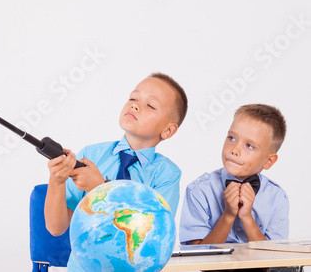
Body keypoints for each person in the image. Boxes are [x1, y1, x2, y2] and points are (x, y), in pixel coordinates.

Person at [44, 72, 188, 270]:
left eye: (150, 105)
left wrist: (102, 188)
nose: (135, 105)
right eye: (133, 98)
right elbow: (55, 227)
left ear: (168, 130)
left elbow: (154, 238)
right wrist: (57, 180)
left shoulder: (167, 174)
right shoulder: (90, 155)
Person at [180, 104, 289, 246]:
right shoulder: (198, 191)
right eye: (231, 138)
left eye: (249, 145)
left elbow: (275, 261)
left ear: (268, 161)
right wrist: (228, 216)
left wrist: (247, 218)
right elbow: (195, 257)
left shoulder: (277, 198)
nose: (235, 150)